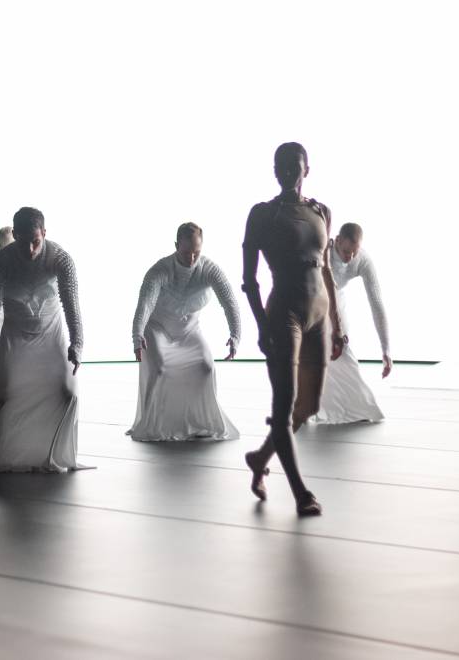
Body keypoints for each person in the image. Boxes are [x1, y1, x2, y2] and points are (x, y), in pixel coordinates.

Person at [241, 143, 344, 517]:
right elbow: (250, 279)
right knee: (284, 407)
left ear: (306, 169)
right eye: (280, 166)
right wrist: (261, 324)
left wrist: (338, 325)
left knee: (309, 406)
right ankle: (302, 494)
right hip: (285, 315)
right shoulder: (263, 214)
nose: (286, 172)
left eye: (293, 166)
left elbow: (326, 268)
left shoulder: (321, 211)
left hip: (319, 315)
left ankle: (260, 458)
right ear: (273, 170)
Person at [0, 207, 84, 473]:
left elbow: (71, 304)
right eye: (23, 241)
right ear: (15, 235)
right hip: (15, 334)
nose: (30, 249)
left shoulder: (61, 259)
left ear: (44, 233)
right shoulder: (0, 262)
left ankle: (54, 453)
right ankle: (0, 456)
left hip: (51, 333)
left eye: (35, 241)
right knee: (3, 397)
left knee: (67, 393)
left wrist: (77, 343)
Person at [127, 222, 241, 442]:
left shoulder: (210, 269)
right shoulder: (160, 270)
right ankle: (157, 423)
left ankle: (200, 421)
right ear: (176, 245)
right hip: (157, 328)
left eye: (196, 252)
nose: (191, 259)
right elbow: (145, 305)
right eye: (186, 252)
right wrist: (137, 336)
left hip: (189, 330)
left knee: (206, 366)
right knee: (159, 369)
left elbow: (229, 302)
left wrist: (235, 335)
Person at [313, 222, 392, 424]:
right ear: (337, 241)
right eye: (346, 252)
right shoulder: (322, 250)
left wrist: (386, 350)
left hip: (337, 299)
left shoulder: (362, 260)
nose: (350, 257)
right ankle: (311, 405)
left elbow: (376, 303)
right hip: (312, 296)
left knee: (341, 350)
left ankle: (355, 409)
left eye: (354, 252)